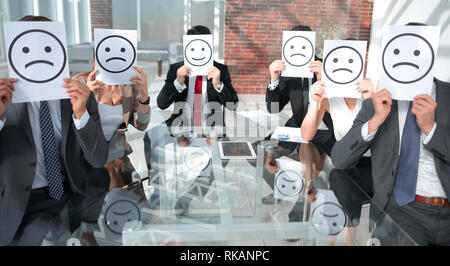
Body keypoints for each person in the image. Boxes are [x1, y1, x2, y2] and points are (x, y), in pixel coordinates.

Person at [331, 23, 450, 246]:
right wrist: (375, 121)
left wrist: (430, 129)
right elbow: (339, 158)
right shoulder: (375, 104)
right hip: (403, 210)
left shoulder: (448, 96)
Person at [0, 15, 108, 246]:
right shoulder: (3, 99)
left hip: (70, 197)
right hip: (20, 203)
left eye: (47, 47)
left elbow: (98, 158)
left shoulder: (78, 96)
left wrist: (81, 114)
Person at [73, 63, 151, 245]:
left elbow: (141, 124)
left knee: (119, 176)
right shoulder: (81, 81)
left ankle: (125, 227)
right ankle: (88, 231)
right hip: (87, 149)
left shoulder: (128, 85)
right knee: (101, 177)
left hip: (116, 149)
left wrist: (144, 95)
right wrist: (87, 98)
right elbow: (70, 123)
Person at [300, 75, 375, 245]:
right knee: (338, 176)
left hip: (373, 164)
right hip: (346, 163)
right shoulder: (332, 97)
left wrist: (371, 98)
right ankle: (344, 239)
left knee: (340, 179)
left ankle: (344, 239)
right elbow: (306, 135)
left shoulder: (371, 88)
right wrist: (314, 102)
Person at [157, 25, 239, 136]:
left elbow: (232, 105)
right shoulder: (176, 69)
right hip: (181, 124)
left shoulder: (220, 70)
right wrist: (178, 82)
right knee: (151, 137)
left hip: (212, 127)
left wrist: (219, 85)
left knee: (219, 150)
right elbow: (161, 104)